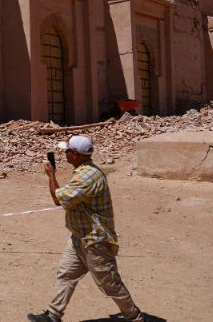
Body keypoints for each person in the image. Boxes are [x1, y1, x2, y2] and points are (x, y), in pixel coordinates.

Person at [27, 135, 144, 322]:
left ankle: (135, 317)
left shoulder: (87, 176)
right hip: (79, 236)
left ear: (76, 154)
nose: (65, 153)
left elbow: (58, 199)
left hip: (95, 240)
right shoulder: (83, 170)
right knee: (66, 274)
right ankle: (53, 315)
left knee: (110, 284)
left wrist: (51, 175)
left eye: (68, 151)